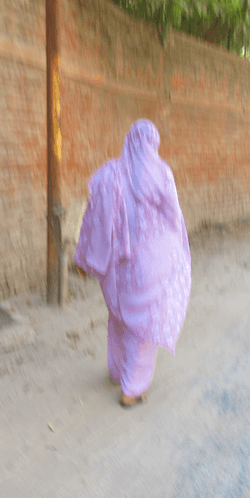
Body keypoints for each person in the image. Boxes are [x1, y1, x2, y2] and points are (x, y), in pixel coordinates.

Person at [73, 119, 191, 408]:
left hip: (117, 266)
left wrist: (85, 258)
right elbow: (173, 217)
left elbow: (92, 215)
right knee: (144, 326)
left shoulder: (109, 174)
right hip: (151, 265)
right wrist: (175, 250)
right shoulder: (161, 174)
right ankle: (131, 389)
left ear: (128, 140)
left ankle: (117, 371)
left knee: (119, 316)